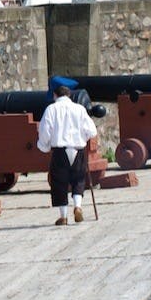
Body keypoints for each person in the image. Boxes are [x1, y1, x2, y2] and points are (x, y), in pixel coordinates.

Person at [37, 79, 98, 225]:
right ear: (69, 95)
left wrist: (44, 146)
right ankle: (78, 206)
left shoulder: (51, 109)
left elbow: (45, 131)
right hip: (78, 149)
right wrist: (81, 138)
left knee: (59, 182)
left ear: (55, 95)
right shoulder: (79, 109)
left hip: (60, 150)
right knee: (79, 179)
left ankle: (63, 217)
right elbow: (92, 131)